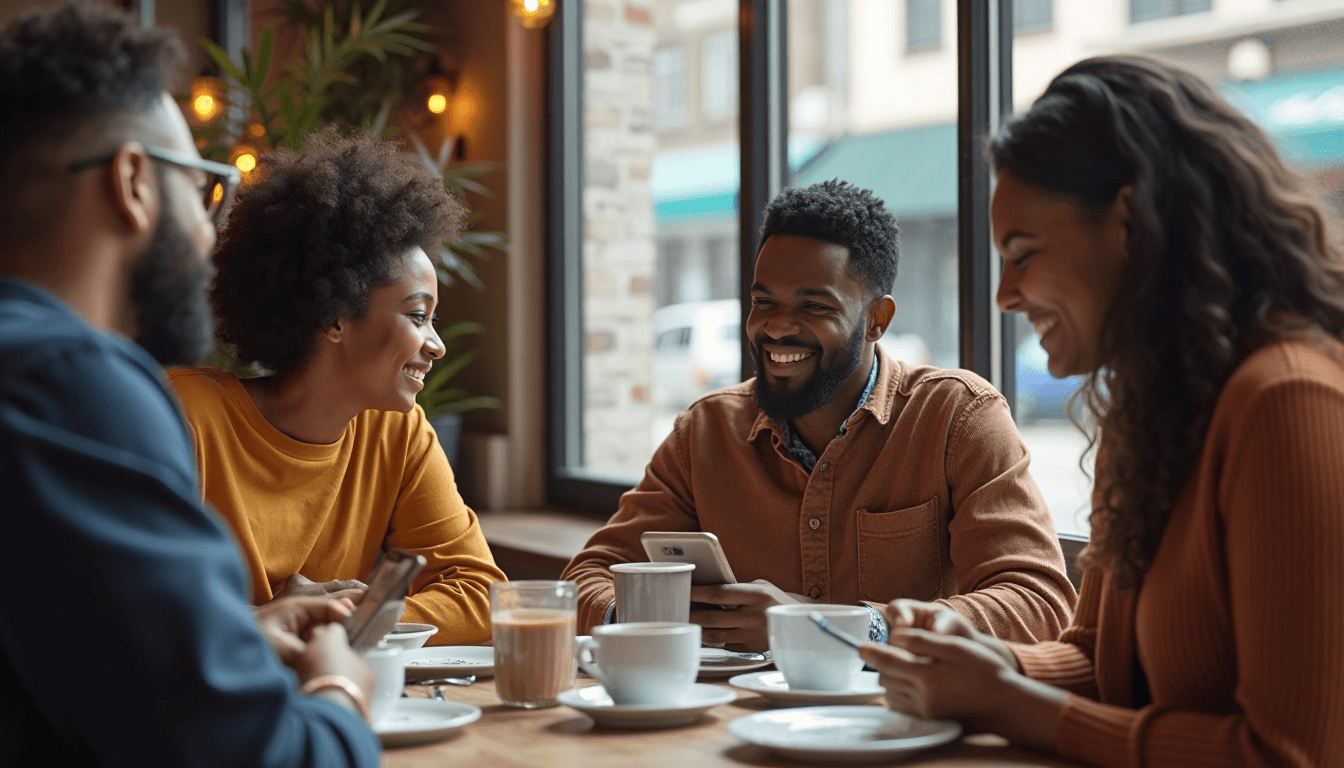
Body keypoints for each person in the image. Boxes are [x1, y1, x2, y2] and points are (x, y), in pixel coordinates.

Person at [860, 55, 1344, 767]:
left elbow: (1292, 753)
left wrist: (1010, 704)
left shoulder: (1287, 401)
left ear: (1129, 223)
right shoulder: (1152, 411)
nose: (1004, 296)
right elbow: (1104, 660)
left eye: (1022, 253)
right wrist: (990, 666)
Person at [0, 3, 379, 765]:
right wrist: (341, 693)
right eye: (205, 186)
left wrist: (230, 641)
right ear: (134, 180)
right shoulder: (71, 386)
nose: (211, 232)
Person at [562, 180, 1076, 651]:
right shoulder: (705, 432)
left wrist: (833, 627)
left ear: (877, 320)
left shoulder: (958, 418)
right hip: (733, 725)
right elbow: (587, 577)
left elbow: (1038, 604)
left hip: (901, 729)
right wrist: (648, 616)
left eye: (814, 307)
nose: (778, 328)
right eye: (764, 302)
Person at [168, 132, 506, 646]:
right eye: (418, 316)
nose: (435, 345)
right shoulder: (182, 417)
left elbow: (479, 593)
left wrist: (343, 616)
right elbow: (133, 615)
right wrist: (263, 623)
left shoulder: (398, 431)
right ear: (333, 317)